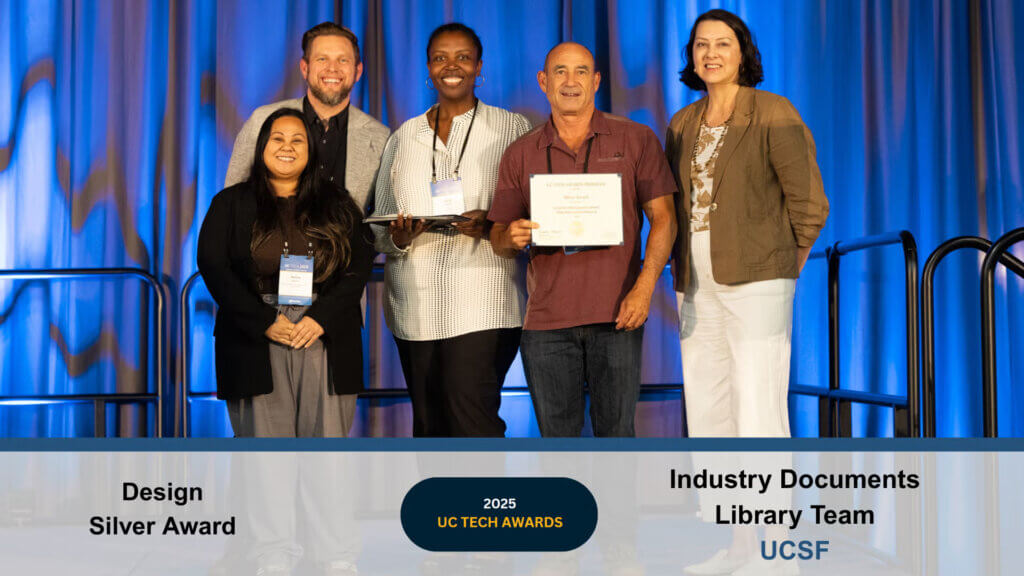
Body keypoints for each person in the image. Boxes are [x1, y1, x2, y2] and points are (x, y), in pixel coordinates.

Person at [666, 9, 828, 576]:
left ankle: (771, 550)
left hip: (759, 281)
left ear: (743, 52)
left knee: (758, 408)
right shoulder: (682, 122)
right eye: (701, 44)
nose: (711, 53)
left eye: (724, 43)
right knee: (710, 413)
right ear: (691, 56)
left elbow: (809, 203)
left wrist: (783, 267)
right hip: (695, 284)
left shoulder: (773, 111)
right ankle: (736, 545)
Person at [489, 42, 677, 437]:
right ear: (544, 81)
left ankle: (614, 504)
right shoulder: (520, 153)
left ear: (596, 81)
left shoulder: (636, 139)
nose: (570, 81)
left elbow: (664, 219)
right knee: (558, 444)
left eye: (580, 72)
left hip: (618, 317)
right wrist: (511, 235)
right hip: (545, 325)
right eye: (559, 71)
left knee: (617, 438)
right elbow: (497, 237)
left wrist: (643, 291)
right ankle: (568, 503)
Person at [371, 23, 531, 437]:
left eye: (463, 57)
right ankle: (437, 504)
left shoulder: (511, 129)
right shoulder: (404, 136)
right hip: (414, 306)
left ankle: (481, 505)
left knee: (472, 421)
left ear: (479, 67)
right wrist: (399, 237)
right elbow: (381, 225)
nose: (452, 66)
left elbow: (532, 209)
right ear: (428, 68)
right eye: (441, 57)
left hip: (484, 300)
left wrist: (492, 222)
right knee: (429, 425)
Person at [198, 108, 375, 438]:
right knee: (266, 466)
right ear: (262, 146)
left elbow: (359, 266)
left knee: (327, 464)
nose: (287, 147)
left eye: (298, 140)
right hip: (255, 336)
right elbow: (214, 266)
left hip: (324, 332)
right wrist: (263, 320)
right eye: (278, 138)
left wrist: (319, 317)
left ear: (311, 151)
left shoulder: (339, 202)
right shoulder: (229, 203)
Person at [224, 22, 389, 214]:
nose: (332, 68)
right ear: (305, 68)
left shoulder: (380, 137)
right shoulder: (262, 120)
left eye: (343, 60)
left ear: (358, 71)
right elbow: (231, 202)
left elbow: (381, 222)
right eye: (322, 59)